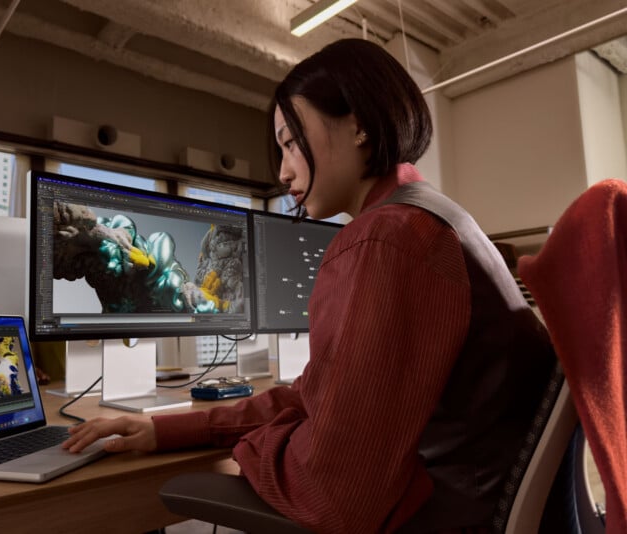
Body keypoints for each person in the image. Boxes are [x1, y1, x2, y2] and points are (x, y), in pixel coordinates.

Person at [62, 39, 556, 533]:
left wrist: (254, 446)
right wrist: (167, 430)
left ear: (359, 123)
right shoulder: (434, 218)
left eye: (291, 142)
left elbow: (334, 495)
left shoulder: (385, 240)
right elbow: (313, 397)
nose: (282, 171)